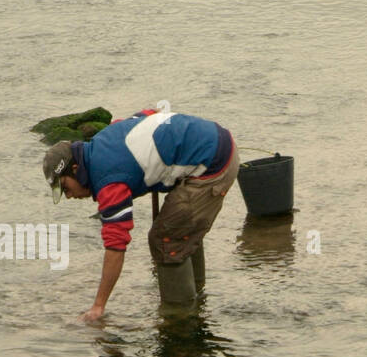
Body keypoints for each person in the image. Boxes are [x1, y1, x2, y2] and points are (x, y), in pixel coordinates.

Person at [43, 109, 238, 322]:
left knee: (166, 239)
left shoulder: (109, 179)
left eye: (66, 188)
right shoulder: (105, 137)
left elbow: (116, 246)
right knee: (179, 227)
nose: (69, 196)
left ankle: (180, 319)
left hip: (213, 167)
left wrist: (98, 307)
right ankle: (197, 298)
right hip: (219, 141)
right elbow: (148, 113)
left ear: (75, 169)